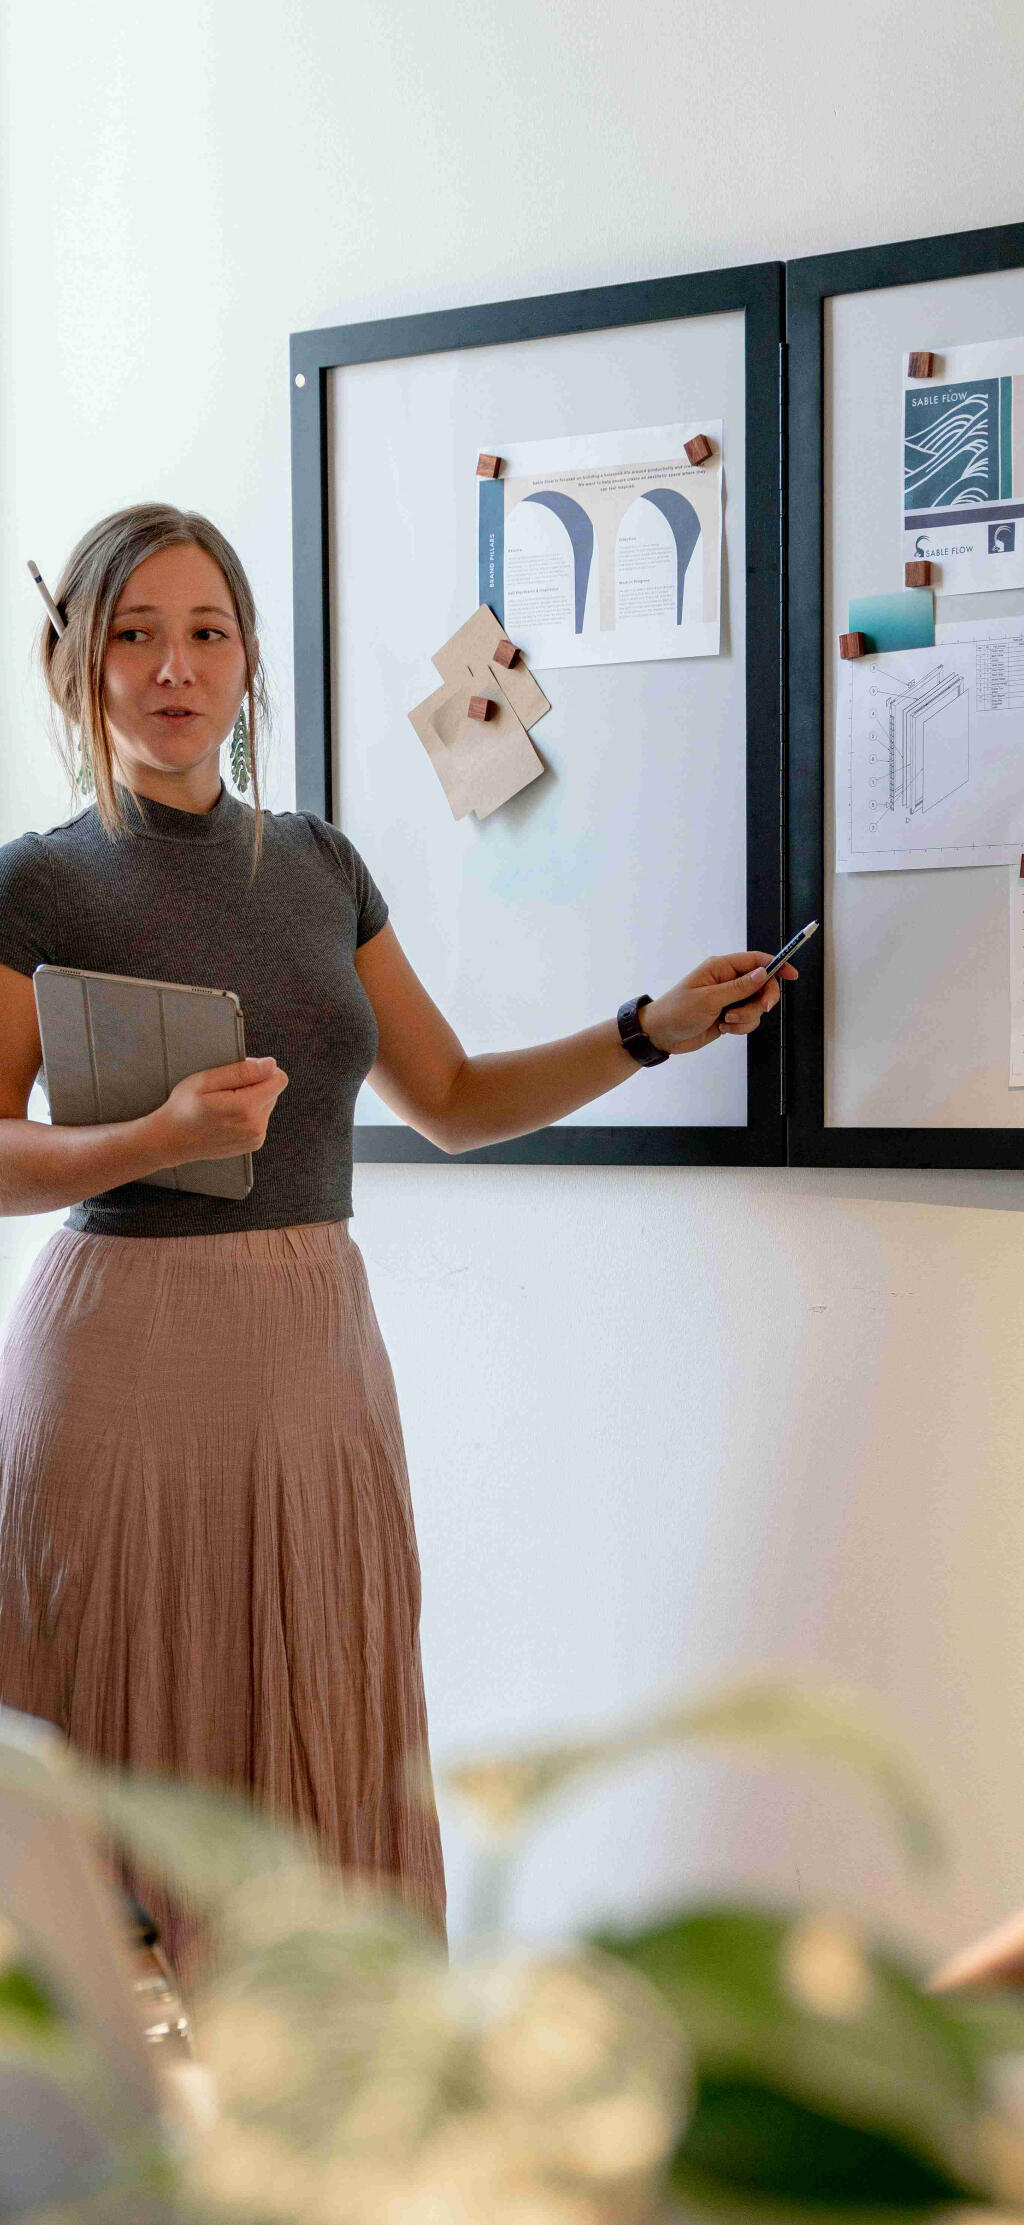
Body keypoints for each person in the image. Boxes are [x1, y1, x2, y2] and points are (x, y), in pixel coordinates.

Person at [0, 501, 795, 1984]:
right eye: (134, 634)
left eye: (208, 632)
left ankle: (336, 2151)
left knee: (328, 1736)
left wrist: (651, 1030)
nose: (176, 668)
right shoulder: (35, 884)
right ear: (74, 663)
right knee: (132, 1772)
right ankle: (130, 2163)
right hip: (123, 1368)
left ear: (248, 664)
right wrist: (151, 1143)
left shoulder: (316, 864)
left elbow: (452, 1100)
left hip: (315, 1356)